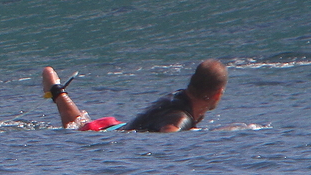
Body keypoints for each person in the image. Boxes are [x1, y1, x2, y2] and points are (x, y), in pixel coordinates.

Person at [41, 60, 227, 132]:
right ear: (217, 94)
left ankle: (57, 89)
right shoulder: (181, 117)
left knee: (77, 122)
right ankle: (57, 91)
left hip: (115, 126)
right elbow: (170, 133)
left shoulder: (180, 96)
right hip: (104, 133)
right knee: (77, 127)